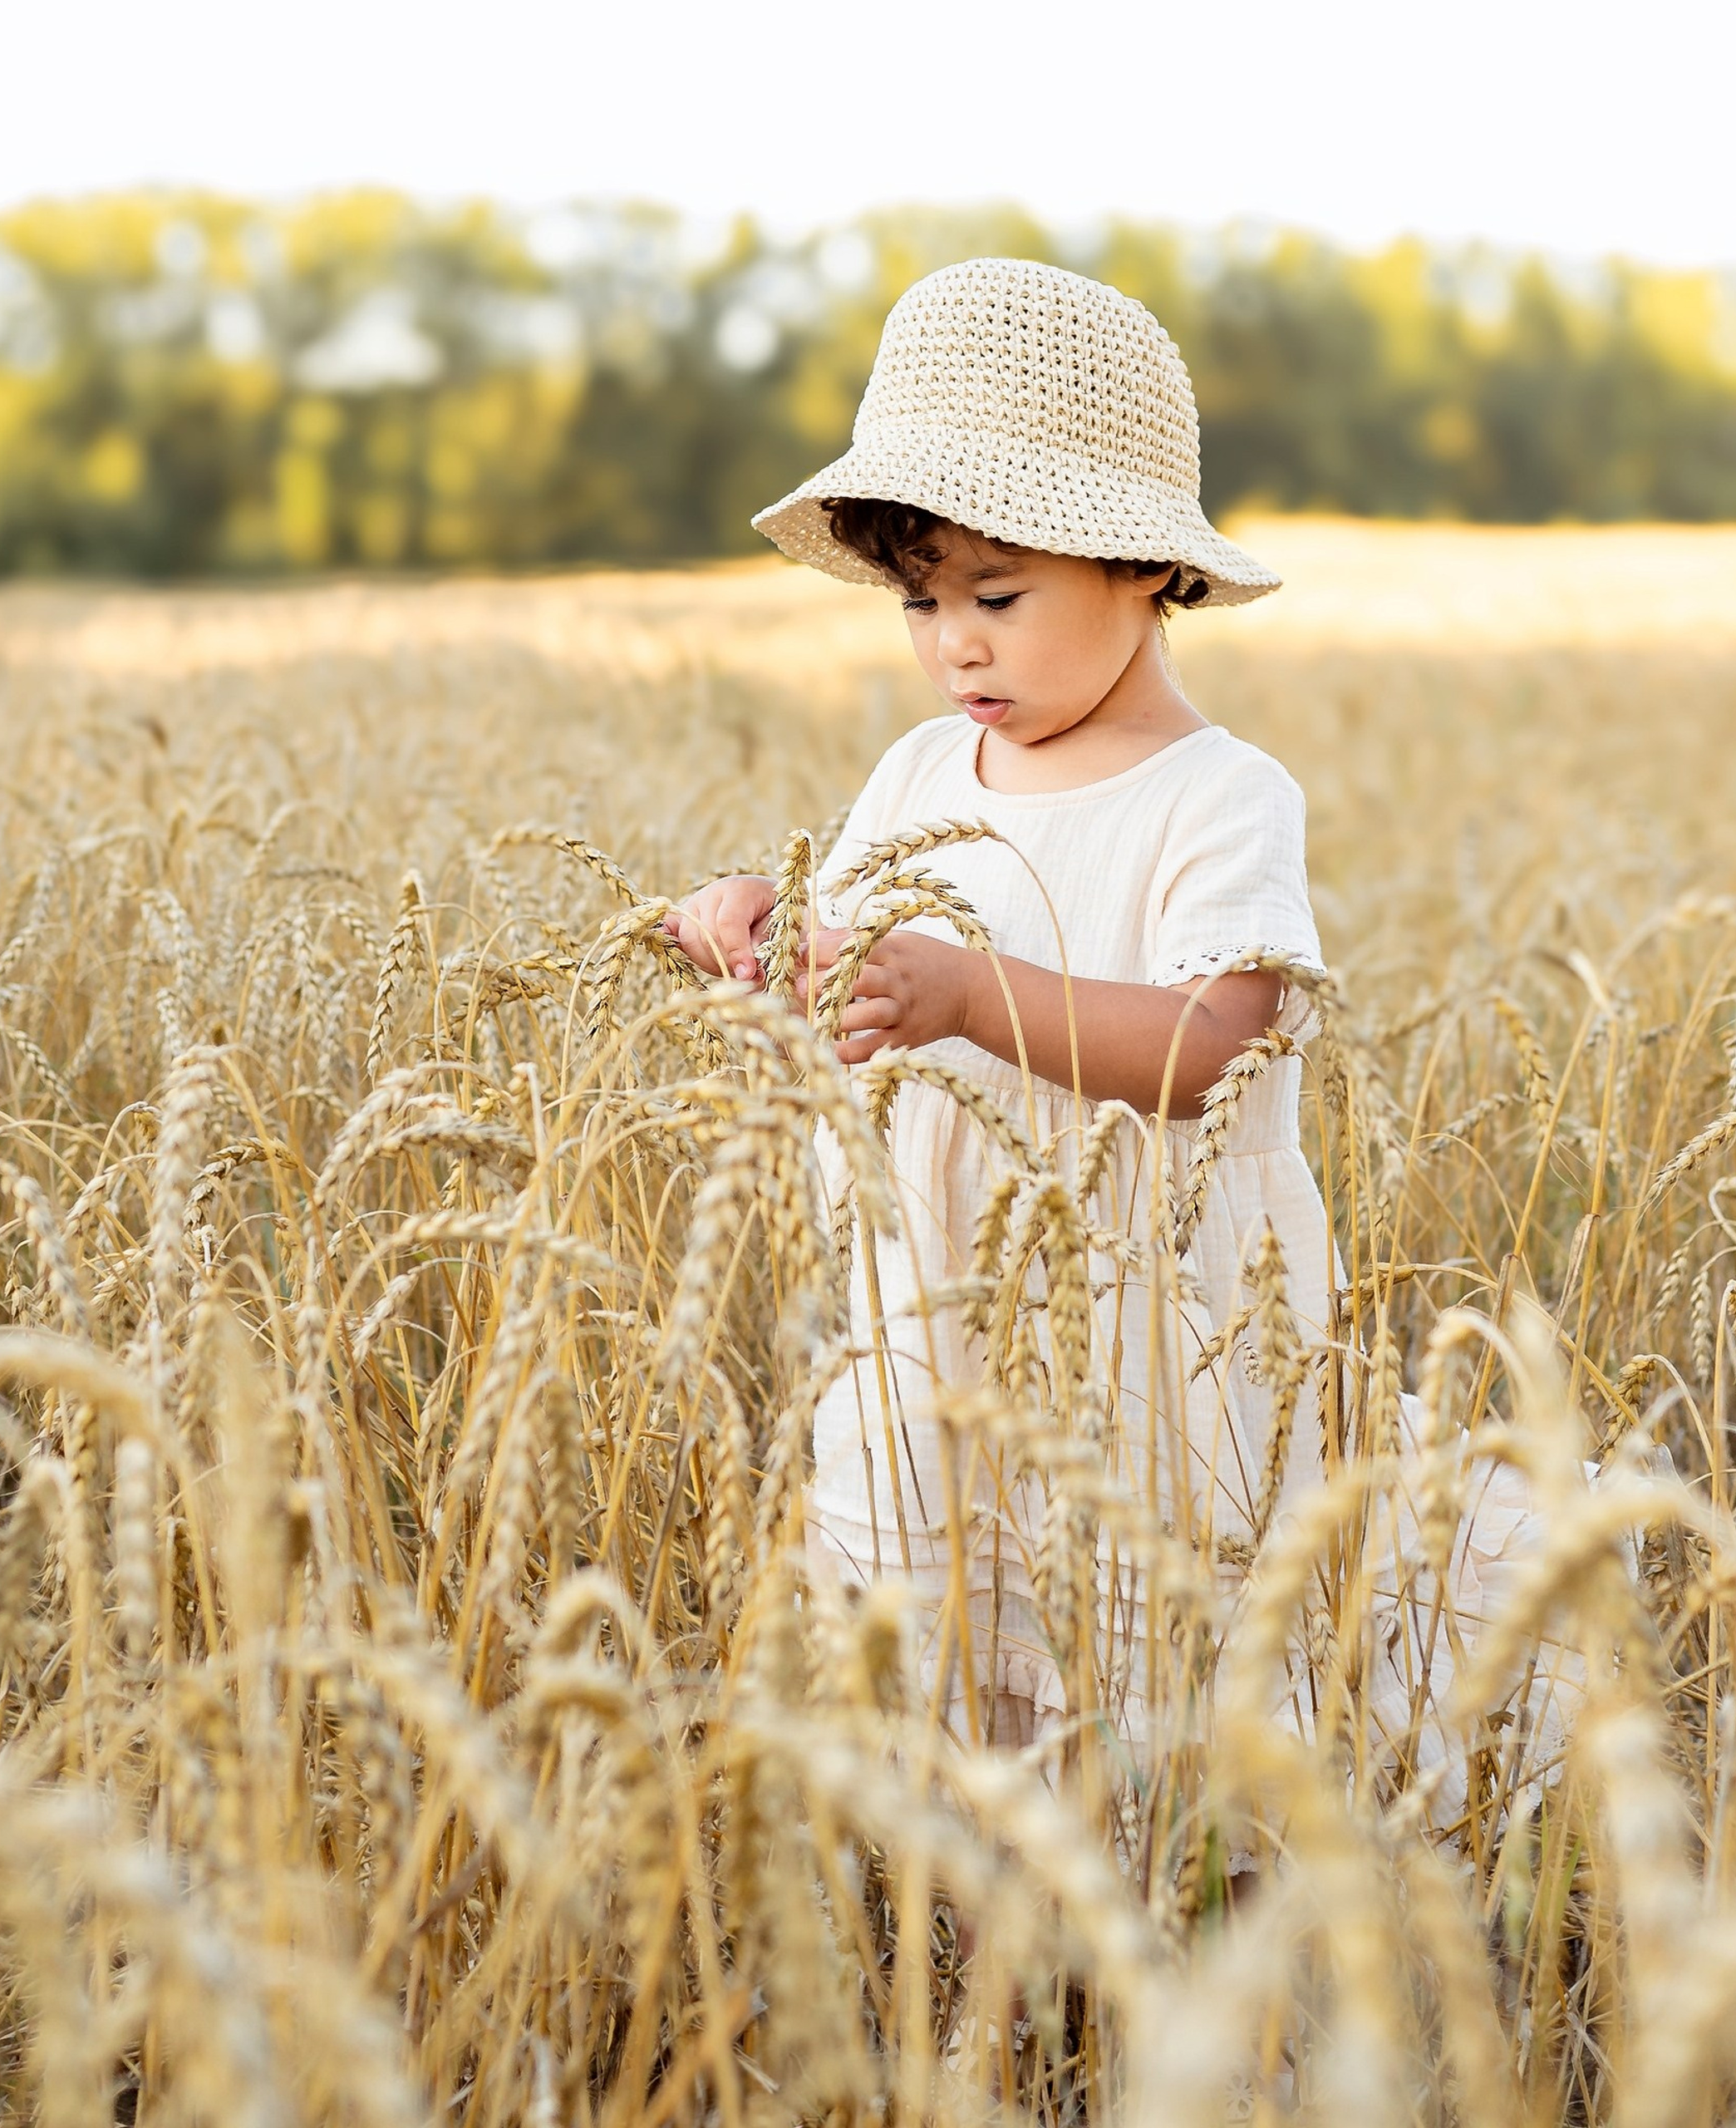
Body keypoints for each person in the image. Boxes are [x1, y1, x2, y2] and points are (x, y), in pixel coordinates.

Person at [666, 259, 1577, 1794]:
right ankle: (989, 1970)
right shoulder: (917, 776)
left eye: (998, 596)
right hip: (936, 1318)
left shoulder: (1217, 797)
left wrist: (970, 995)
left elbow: (1220, 1040)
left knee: (1165, 1686)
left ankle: (1187, 1930)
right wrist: (769, 928)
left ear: (1143, 569)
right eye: (922, 602)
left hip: (1155, 1328)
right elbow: (868, 970)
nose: (956, 645)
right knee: (941, 1660)